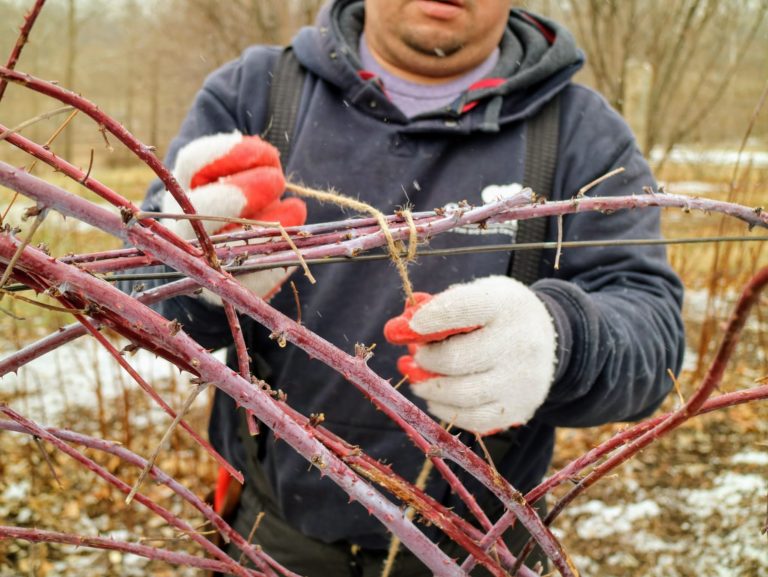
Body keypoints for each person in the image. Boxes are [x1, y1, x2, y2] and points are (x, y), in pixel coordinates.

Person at [138, 1, 685, 575]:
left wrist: (562, 341)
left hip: (482, 553)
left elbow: (652, 334)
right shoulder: (255, 90)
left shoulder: (581, 132)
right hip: (267, 541)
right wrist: (185, 269)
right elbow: (134, 294)